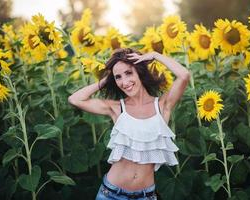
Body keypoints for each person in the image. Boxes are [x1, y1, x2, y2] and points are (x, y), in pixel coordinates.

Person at [68, 48, 190, 200]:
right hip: (111, 194)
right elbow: (75, 99)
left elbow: (184, 75)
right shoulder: (117, 108)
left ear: (140, 72)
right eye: (118, 77)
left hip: (146, 196)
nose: (124, 82)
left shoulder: (162, 106)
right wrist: (107, 80)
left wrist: (154, 55)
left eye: (129, 73)